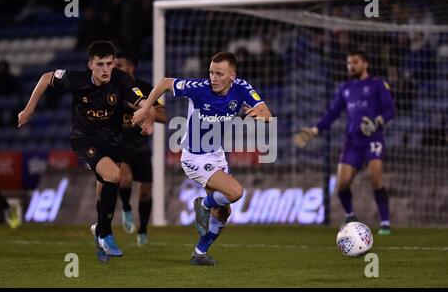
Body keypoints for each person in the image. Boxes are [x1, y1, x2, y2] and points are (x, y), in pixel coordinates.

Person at [18, 40, 153, 262]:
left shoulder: (121, 80)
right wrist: (28, 109)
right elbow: (45, 78)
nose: (106, 69)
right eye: (100, 64)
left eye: (110, 64)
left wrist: (146, 118)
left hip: (113, 142)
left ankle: (98, 230)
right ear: (90, 64)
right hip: (84, 139)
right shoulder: (77, 79)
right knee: (114, 176)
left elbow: (143, 102)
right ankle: (106, 234)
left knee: (104, 191)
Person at [132, 52, 272, 265]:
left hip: (216, 154)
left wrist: (261, 116)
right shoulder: (199, 88)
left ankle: (199, 253)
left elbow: (266, 113)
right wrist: (145, 109)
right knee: (235, 192)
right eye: (211, 73)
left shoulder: (242, 87)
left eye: (219, 74)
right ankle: (203, 204)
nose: (213, 78)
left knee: (223, 212)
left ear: (232, 75)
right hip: (194, 157)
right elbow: (164, 83)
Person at [294, 50, 396, 235]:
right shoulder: (345, 88)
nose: (351, 66)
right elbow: (332, 113)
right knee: (342, 184)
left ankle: (385, 223)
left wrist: (377, 122)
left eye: (355, 62)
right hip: (352, 140)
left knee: (375, 177)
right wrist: (314, 130)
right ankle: (350, 215)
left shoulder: (377, 84)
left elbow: (390, 109)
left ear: (366, 64)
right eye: (349, 63)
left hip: (373, 138)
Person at [115, 51, 167, 246]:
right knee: (125, 179)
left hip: (141, 147)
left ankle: (143, 230)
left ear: (131, 67)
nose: (114, 69)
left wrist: (142, 110)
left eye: (119, 65)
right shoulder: (110, 89)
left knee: (145, 192)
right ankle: (127, 208)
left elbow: (163, 116)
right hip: (119, 147)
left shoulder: (145, 88)